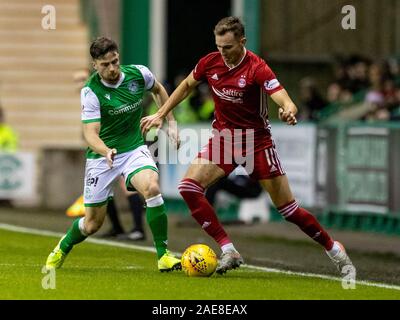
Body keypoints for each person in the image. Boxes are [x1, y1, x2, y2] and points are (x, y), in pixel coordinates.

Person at [141, 16, 355, 275]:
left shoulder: (257, 68)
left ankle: (333, 249)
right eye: (219, 46)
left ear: (242, 41)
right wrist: (162, 113)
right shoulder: (210, 62)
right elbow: (186, 85)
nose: (223, 53)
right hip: (224, 139)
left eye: (228, 47)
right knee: (188, 188)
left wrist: (288, 110)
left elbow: (283, 98)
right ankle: (228, 249)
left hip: (257, 143)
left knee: (288, 210)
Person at [45, 37, 181, 272]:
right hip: (102, 157)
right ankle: (62, 247)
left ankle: (164, 255)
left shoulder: (139, 74)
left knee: (152, 187)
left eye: (115, 62)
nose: (112, 69)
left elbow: (158, 89)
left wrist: (169, 120)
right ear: (95, 64)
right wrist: (105, 150)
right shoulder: (90, 91)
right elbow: (90, 133)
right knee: (92, 224)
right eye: (105, 64)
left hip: (133, 149)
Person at [67, 69, 147, 241]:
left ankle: (138, 229)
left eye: (81, 79)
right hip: (103, 150)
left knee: (128, 188)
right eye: (76, 81)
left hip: (122, 147)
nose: (78, 84)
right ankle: (117, 227)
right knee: (105, 190)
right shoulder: (88, 97)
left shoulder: (100, 91)